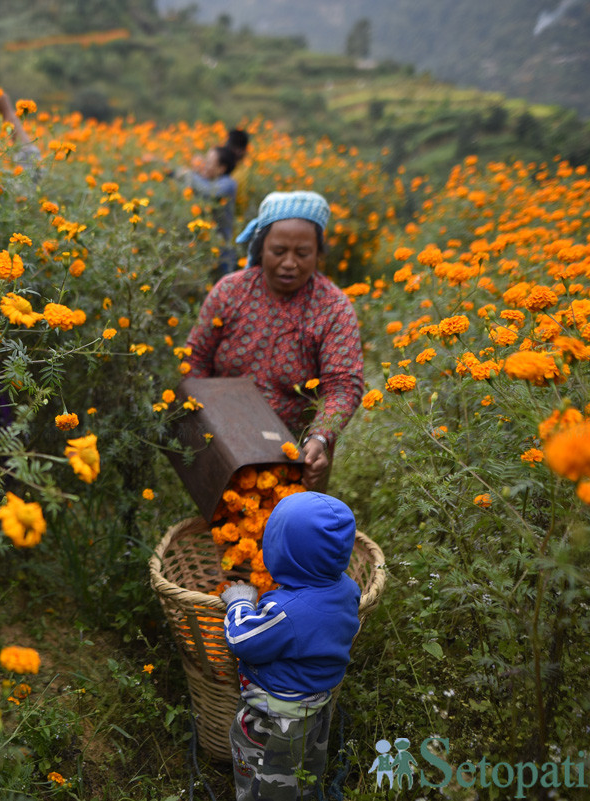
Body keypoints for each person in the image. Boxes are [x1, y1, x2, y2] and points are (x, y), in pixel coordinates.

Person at [180, 190, 363, 491]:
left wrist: (318, 438)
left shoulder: (333, 308)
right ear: (260, 248)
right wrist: (204, 425)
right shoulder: (230, 292)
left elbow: (343, 385)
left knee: (290, 531)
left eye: (302, 253)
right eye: (279, 251)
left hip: (296, 454)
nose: (289, 262)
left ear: (318, 254)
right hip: (223, 446)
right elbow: (195, 358)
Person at [219, 491, 361, 801]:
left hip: (274, 721)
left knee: (265, 785)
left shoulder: (286, 612)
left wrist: (240, 602)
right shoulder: (349, 590)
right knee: (304, 774)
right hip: (316, 708)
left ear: (282, 552)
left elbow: (242, 640)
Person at [173, 145, 239, 281]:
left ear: (221, 168)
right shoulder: (205, 180)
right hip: (206, 247)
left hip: (222, 250)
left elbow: (208, 191)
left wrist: (187, 174)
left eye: (209, 162)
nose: (204, 164)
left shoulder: (228, 184)